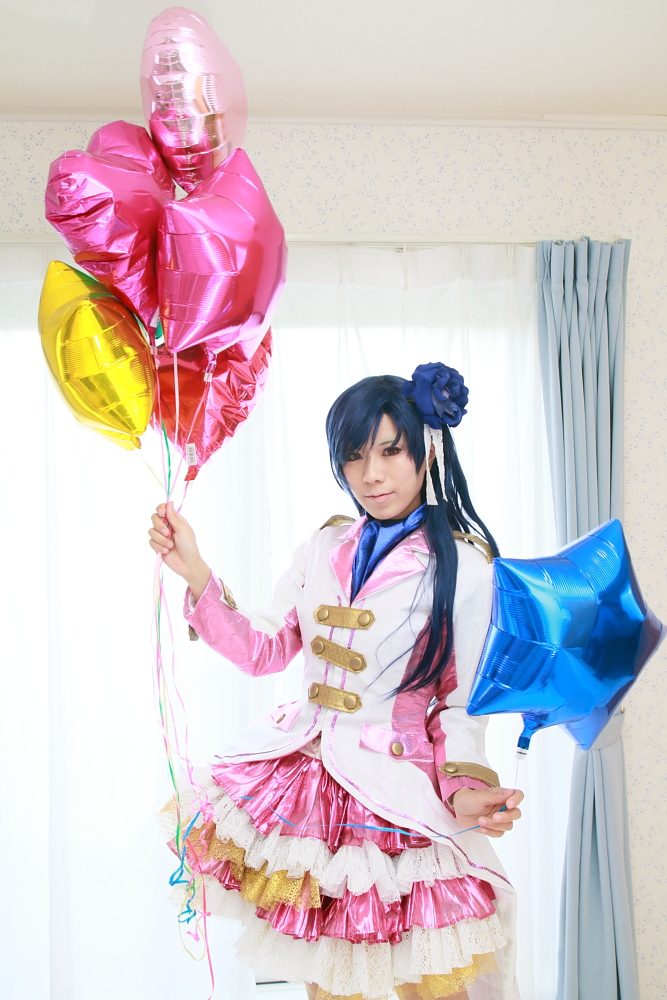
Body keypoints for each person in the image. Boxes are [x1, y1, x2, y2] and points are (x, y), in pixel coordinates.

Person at [149, 363, 523, 1000]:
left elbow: (460, 703)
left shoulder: (464, 566)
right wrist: (197, 574)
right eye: (354, 456)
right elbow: (266, 649)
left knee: (432, 985)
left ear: (428, 449)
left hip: (397, 793)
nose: (371, 474)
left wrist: (465, 786)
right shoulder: (324, 547)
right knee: (330, 984)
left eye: (390, 451)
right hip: (309, 792)